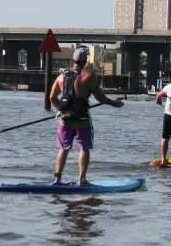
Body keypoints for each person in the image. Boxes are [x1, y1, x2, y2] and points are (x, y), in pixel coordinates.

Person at [48, 47, 124, 185]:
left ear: (74, 60)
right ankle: (82, 180)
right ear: (85, 61)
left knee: (63, 148)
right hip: (82, 118)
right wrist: (115, 104)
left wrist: (61, 108)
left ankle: (57, 179)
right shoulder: (88, 76)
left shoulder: (61, 76)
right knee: (84, 148)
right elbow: (100, 98)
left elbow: (52, 97)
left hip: (65, 119)